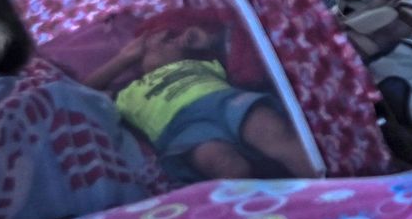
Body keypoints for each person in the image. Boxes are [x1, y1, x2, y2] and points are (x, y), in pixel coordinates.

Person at [87, 12, 316, 181]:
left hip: (227, 102)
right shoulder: (128, 92)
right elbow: (81, 94)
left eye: (171, 38)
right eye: (153, 45)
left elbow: (243, 48)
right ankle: (260, 217)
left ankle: (325, 185)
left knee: (271, 130)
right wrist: (123, 59)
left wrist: (210, 41)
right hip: (184, 129)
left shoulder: (205, 64)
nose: (166, 41)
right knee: (224, 164)